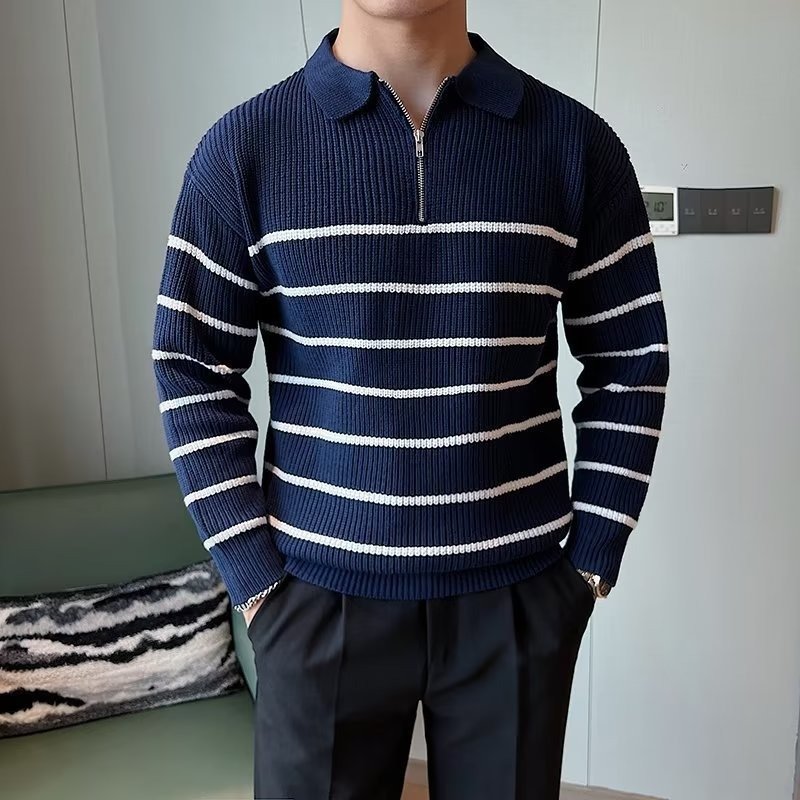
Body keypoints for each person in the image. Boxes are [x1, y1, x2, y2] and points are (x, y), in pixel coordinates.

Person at [151, 2, 669, 798]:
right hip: (315, 598)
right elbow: (190, 362)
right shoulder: (245, 149)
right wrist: (255, 581)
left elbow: (630, 359)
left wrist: (591, 563)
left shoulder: (575, 145)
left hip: (517, 599)